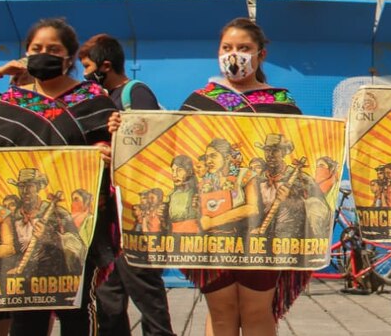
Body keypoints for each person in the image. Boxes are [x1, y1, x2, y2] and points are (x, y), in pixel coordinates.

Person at [0, 17, 117, 336]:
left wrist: (106, 150)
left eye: (53, 48)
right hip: (25, 230)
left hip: (76, 226)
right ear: (26, 53)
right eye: (37, 48)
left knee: (76, 308)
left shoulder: (92, 99)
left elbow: (112, 146)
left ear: (70, 57)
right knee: (26, 310)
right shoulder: (12, 103)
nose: (44, 53)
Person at [177, 18, 306, 335]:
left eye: (244, 48)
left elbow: (304, 150)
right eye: (227, 48)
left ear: (260, 55)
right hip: (212, 227)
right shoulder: (198, 101)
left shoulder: (281, 104)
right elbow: (178, 150)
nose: (234, 55)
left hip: (265, 229)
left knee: (256, 310)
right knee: (220, 312)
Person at [80, 33, 176, 336]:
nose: (83, 74)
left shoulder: (135, 92)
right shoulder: (98, 100)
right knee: (108, 295)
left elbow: (152, 138)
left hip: (135, 216)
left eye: (86, 66)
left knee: (145, 290)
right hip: (108, 217)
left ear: (104, 66)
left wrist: (121, 135)